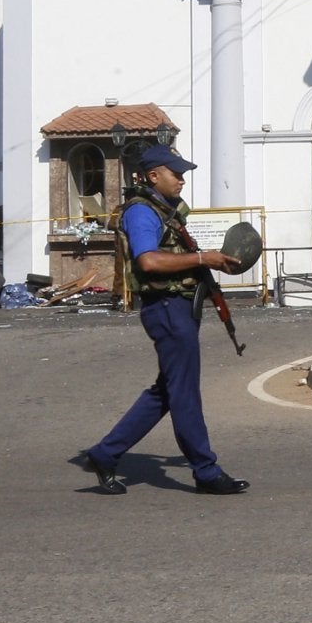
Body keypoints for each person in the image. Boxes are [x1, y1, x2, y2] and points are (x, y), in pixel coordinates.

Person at [73, 143, 248, 495]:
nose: (182, 180)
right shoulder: (141, 212)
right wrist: (202, 259)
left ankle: (105, 454)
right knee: (183, 393)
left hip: (178, 307)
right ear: (154, 175)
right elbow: (149, 262)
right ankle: (206, 471)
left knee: (167, 391)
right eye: (176, 174)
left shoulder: (163, 209)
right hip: (167, 308)